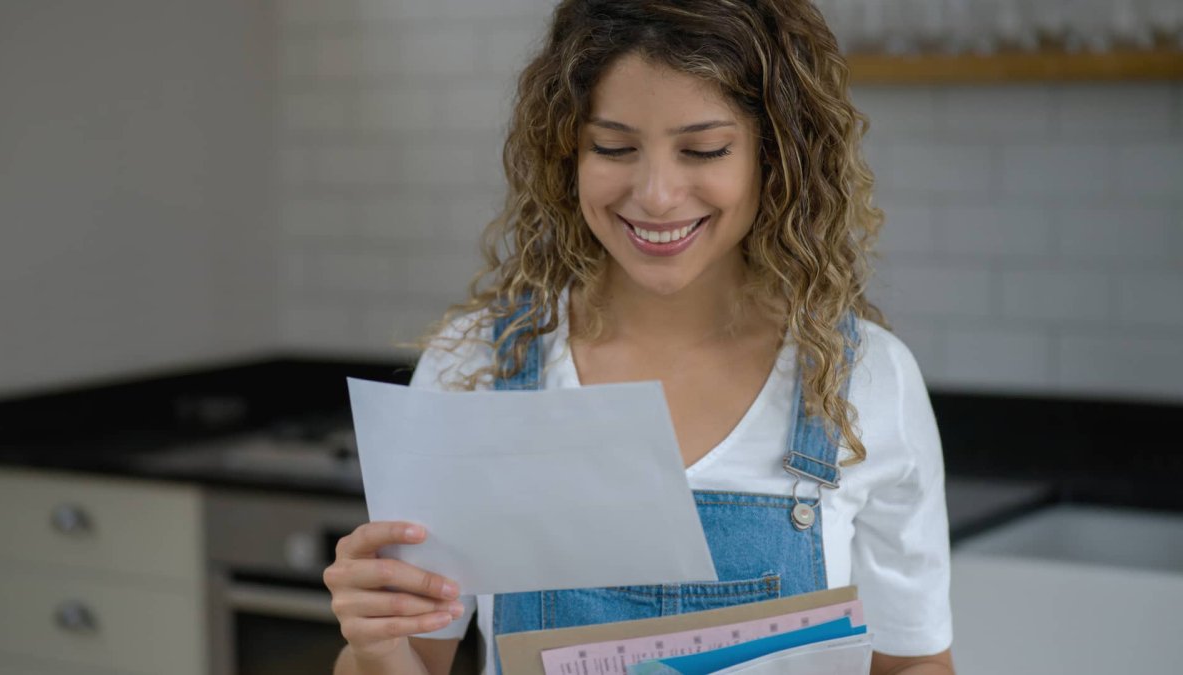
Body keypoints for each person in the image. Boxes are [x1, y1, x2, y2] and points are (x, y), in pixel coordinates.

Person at [324, 1, 955, 673]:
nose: (655, 194)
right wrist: (377, 643)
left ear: (777, 156)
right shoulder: (474, 369)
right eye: (614, 147)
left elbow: (914, 662)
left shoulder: (865, 380)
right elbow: (415, 658)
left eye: (704, 149)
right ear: (568, 149)